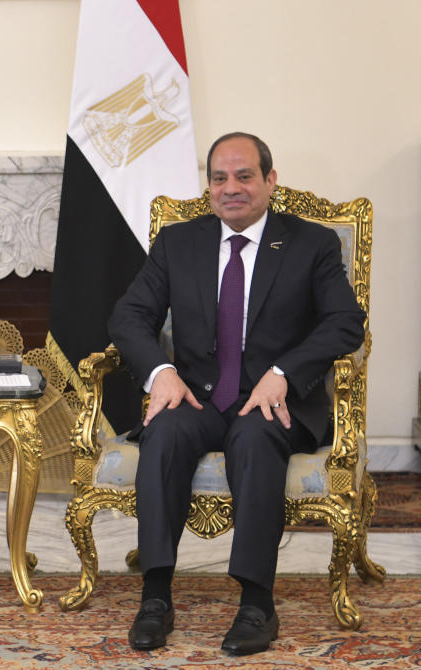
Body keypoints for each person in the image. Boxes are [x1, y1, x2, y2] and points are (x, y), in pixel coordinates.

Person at [108, 132, 365, 656]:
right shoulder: (179, 243)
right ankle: (155, 597)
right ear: (208, 188)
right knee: (164, 433)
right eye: (220, 178)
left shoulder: (311, 243)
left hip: (274, 400)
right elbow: (128, 316)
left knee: (254, 438)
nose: (232, 188)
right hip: (199, 394)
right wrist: (161, 370)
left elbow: (345, 322)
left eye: (245, 176)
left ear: (270, 181)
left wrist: (285, 373)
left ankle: (256, 603)